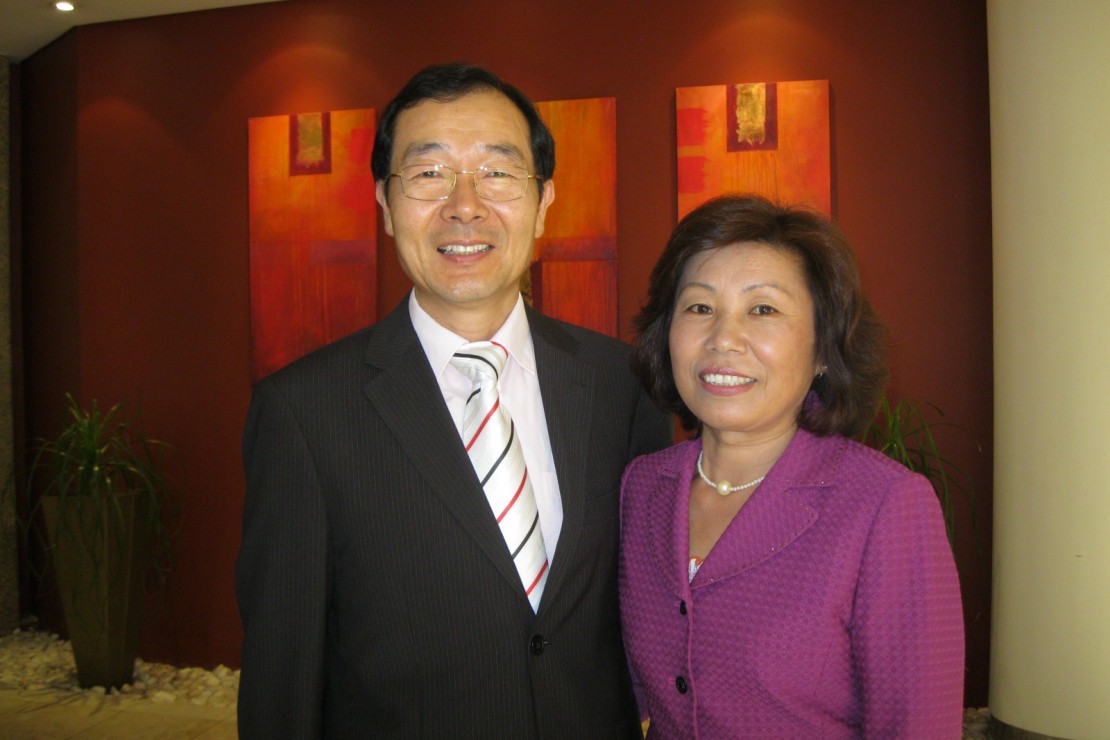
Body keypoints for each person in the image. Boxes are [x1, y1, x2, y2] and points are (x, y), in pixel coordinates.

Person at [235, 63, 672, 738]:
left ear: (544, 200)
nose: (465, 205)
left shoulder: (623, 383)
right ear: (385, 204)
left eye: (497, 172)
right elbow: (282, 679)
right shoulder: (302, 413)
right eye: (428, 173)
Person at [620, 194, 964, 737]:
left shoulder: (884, 506)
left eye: (763, 310)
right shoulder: (642, 487)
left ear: (824, 348)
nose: (723, 339)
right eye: (700, 307)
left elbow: (915, 725)